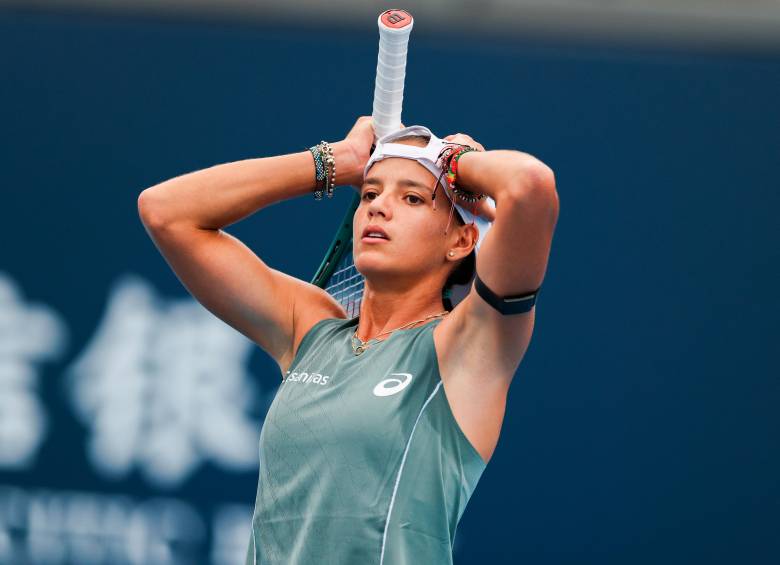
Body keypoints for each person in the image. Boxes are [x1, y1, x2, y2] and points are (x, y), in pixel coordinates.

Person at [137, 115, 559, 564]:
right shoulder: (310, 330)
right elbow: (166, 212)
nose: (378, 207)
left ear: (460, 241)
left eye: (413, 198)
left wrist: (457, 162)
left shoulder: (468, 345)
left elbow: (530, 186)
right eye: (371, 193)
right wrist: (337, 162)